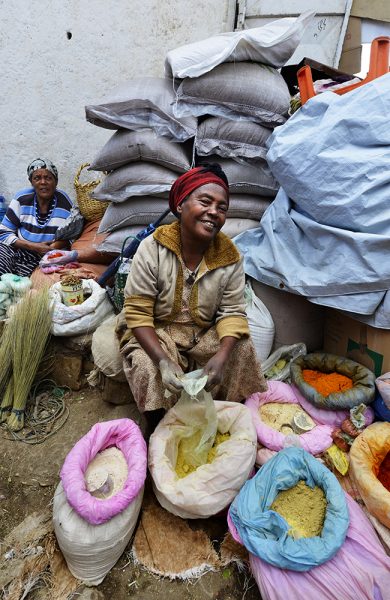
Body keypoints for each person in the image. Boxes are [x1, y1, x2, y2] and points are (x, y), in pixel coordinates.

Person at [117, 163, 267, 420]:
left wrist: (221, 355)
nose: (213, 212)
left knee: (242, 347)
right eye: (205, 202)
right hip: (159, 331)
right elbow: (138, 314)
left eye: (222, 208)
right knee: (146, 364)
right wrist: (163, 360)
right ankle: (158, 426)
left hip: (202, 334)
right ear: (180, 205)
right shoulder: (152, 248)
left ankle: (223, 417)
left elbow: (232, 312)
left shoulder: (230, 256)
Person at [0, 158, 73, 276]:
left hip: (49, 255)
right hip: (20, 249)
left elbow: (73, 236)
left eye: (48, 178)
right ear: (31, 182)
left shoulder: (64, 202)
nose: (43, 182)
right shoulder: (22, 198)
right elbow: (3, 232)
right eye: (37, 178)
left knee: (44, 280)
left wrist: (51, 248)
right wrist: (33, 246)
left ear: (56, 181)